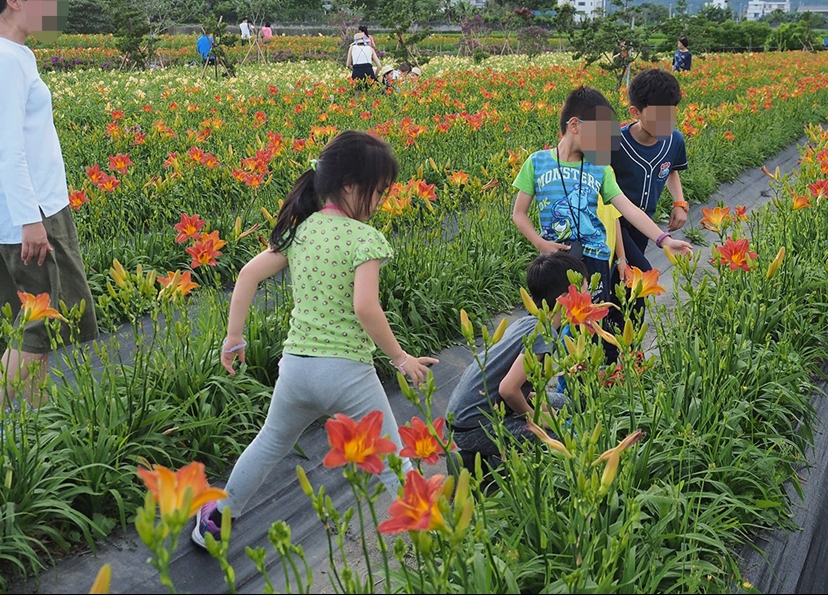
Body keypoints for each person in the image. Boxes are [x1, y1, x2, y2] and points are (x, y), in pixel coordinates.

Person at [191, 130, 439, 549]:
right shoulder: (365, 239)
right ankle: (431, 540)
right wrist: (400, 358)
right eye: (376, 193)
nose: (379, 203)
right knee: (393, 461)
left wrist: (235, 336)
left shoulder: (301, 231)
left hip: (298, 370)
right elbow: (365, 307)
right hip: (348, 375)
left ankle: (215, 518)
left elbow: (248, 274)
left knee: (269, 443)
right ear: (348, 186)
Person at [0, 0, 98, 412]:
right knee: (37, 328)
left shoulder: (17, 54)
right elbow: (8, 148)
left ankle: (32, 432)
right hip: (31, 217)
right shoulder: (4, 60)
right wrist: (30, 221)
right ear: (13, 0)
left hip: (26, 211)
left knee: (27, 326)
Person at [511, 85, 693, 316]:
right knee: (548, 324)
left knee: (592, 323)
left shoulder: (601, 169)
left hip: (596, 260)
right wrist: (540, 243)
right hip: (555, 259)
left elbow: (629, 209)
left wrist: (663, 240)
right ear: (575, 125)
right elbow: (519, 214)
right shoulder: (536, 162)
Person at [446, 251, 585, 475]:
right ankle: (471, 461)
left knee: (565, 403)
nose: (588, 297)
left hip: (470, 413)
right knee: (561, 437)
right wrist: (536, 419)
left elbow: (511, 383)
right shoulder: (543, 331)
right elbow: (507, 389)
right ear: (566, 298)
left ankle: (480, 459)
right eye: (584, 289)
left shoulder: (530, 321)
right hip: (476, 423)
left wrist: (535, 402)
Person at [610, 68, 690, 325]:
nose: (666, 125)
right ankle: (623, 349)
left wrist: (679, 203)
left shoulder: (674, 140)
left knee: (623, 283)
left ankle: (619, 347)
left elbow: (671, 170)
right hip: (615, 224)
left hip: (644, 226)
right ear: (635, 112)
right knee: (641, 276)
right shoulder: (614, 142)